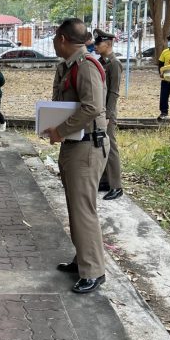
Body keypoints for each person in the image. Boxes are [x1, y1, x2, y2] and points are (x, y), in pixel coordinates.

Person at [43, 18, 109, 294]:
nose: (53, 43)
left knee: (83, 210)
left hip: (87, 146)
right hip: (75, 144)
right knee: (75, 207)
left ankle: (93, 271)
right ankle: (83, 258)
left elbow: (92, 107)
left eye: (54, 38)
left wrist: (60, 130)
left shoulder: (86, 66)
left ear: (62, 39)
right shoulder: (69, 66)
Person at [94, 29, 124, 200]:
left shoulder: (114, 64)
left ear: (108, 44)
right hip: (99, 111)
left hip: (107, 112)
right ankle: (105, 181)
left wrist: (108, 115)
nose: (96, 46)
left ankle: (116, 186)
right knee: (101, 146)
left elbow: (114, 92)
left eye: (99, 43)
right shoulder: (100, 62)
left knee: (111, 147)